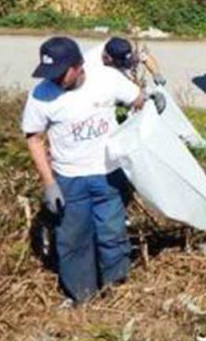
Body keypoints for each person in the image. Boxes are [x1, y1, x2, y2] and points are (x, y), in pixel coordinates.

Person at [22, 36, 146, 303]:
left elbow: (138, 100)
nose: (54, 80)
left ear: (78, 66)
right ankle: (82, 297)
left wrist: (147, 106)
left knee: (112, 234)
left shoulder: (106, 79)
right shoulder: (41, 94)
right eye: (49, 74)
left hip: (108, 176)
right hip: (70, 182)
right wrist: (49, 183)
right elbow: (33, 138)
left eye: (60, 73)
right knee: (73, 241)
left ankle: (116, 293)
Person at [84, 36, 167, 86]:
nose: (126, 65)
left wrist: (156, 74)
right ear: (108, 59)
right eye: (122, 63)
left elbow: (146, 58)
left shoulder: (120, 49)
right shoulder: (92, 66)